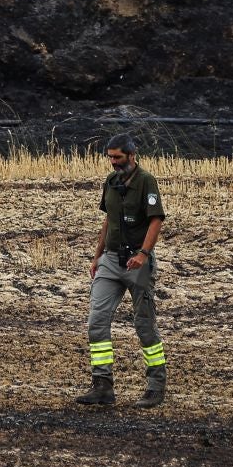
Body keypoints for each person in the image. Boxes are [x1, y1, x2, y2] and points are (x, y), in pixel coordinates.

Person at [76, 133, 167, 408]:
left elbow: (156, 221)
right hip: (110, 261)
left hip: (137, 263)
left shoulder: (146, 181)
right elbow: (108, 220)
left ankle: (156, 386)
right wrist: (97, 256)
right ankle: (102, 386)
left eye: (117, 157)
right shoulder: (111, 182)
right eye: (110, 157)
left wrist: (143, 254)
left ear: (131, 154)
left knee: (144, 324)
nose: (113, 162)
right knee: (97, 321)